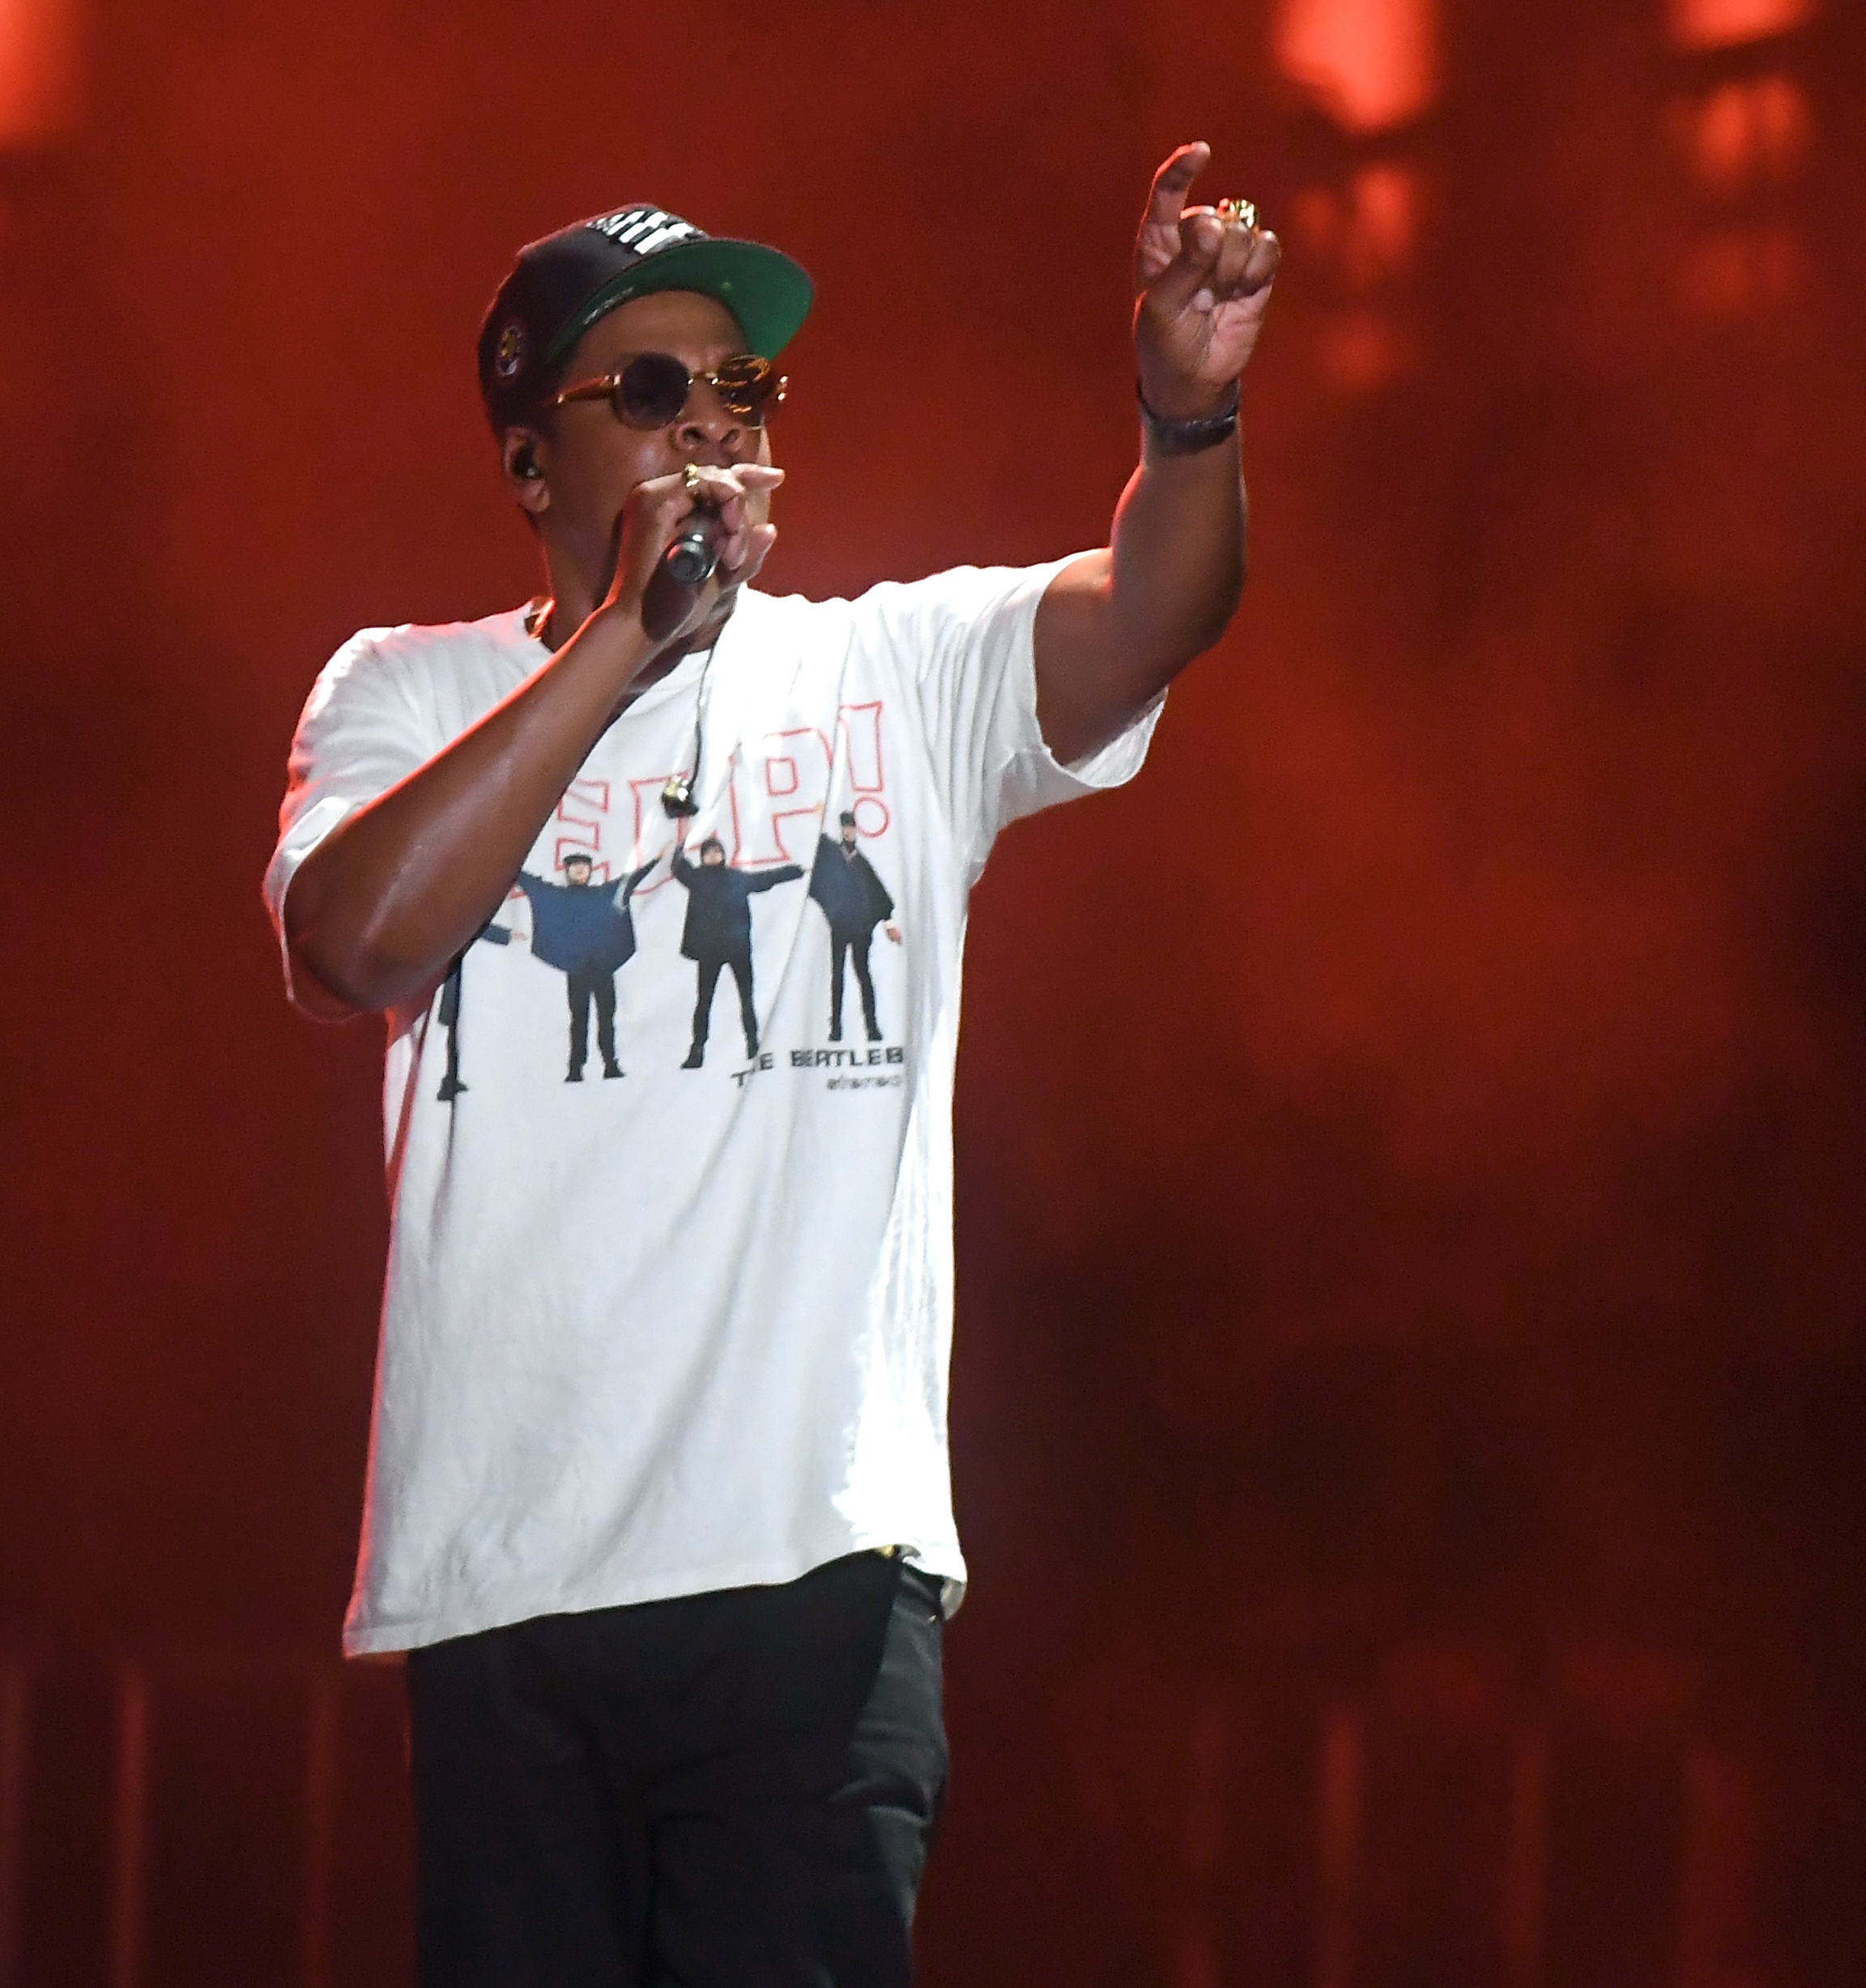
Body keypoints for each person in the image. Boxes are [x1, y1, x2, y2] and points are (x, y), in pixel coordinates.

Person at [264, 149, 1276, 1987]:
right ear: (526, 464)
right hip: (506, 1591)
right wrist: (631, 645)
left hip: (808, 1581)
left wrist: (1185, 414)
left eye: (738, 385)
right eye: (647, 389)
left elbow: (1152, 608)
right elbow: (345, 942)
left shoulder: (889, 671)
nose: (709, 419)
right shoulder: (403, 694)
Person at [509, 848, 659, 1081]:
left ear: (590, 871)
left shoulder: (605, 894)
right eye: (575, 868)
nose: (580, 871)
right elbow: (531, 884)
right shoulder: (557, 896)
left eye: (584, 867)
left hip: (602, 968)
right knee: (579, 1019)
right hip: (577, 969)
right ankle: (576, 1067)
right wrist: (506, 859)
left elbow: (630, 881)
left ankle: (610, 1063)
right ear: (567, 872)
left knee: (606, 1017)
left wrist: (658, 857)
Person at [668, 833, 804, 1067]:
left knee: (746, 998)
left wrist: (794, 871)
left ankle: (752, 1043)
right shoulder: (697, 878)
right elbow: (678, 866)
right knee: (704, 1001)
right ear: (703, 857)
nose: (713, 855)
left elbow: (765, 879)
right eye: (709, 852)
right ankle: (697, 1050)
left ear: (723, 855)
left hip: (736, 948)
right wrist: (680, 843)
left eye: (717, 851)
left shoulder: (735, 878)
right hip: (710, 950)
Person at [807, 809, 900, 1043]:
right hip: (840, 925)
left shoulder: (861, 862)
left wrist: (889, 923)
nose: (849, 832)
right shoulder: (831, 856)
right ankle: (836, 1027)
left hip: (860, 927)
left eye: (852, 828)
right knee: (837, 975)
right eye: (845, 828)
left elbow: (878, 892)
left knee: (863, 974)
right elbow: (818, 842)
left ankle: (872, 1027)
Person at [432, 920, 511, 1102]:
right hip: (448, 982)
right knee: (453, 1034)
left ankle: (450, 1080)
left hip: (449, 978)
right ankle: (448, 1083)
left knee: (454, 1036)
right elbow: (469, 927)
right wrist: (505, 935)